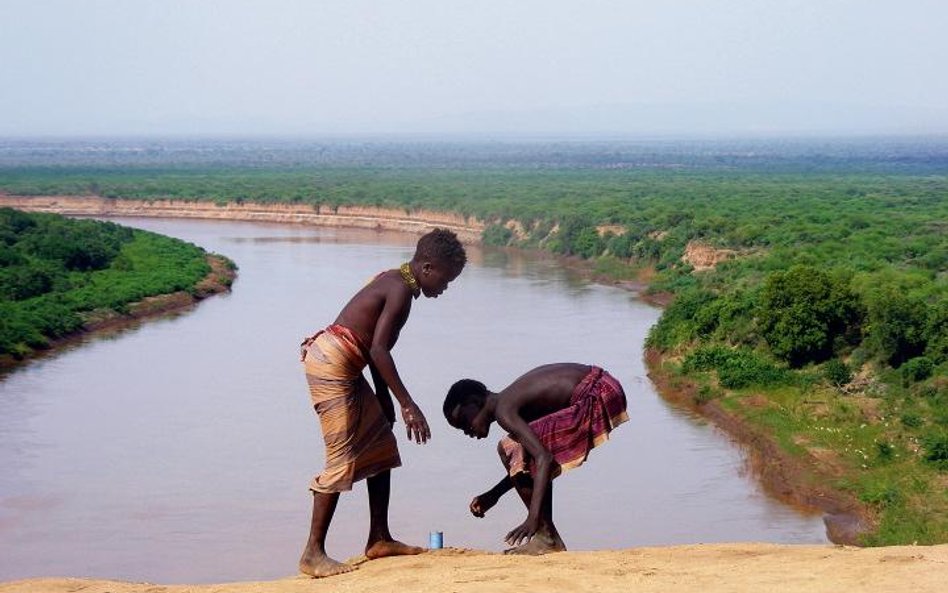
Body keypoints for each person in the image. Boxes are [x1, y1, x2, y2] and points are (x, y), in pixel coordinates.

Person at [298, 228, 466, 577]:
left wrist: (384, 399)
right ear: (428, 267)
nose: (446, 289)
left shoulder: (393, 280)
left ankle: (379, 538)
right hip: (333, 365)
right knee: (341, 456)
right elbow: (378, 349)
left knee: (380, 444)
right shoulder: (401, 291)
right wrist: (407, 405)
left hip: (347, 361)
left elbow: (373, 346)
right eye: (446, 280)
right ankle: (313, 553)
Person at [443, 363, 628, 555]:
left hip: (595, 395)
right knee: (520, 449)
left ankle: (546, 537)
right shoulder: (509, 401)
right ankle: (547, 536)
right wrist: (494, 495)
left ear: (474, 401)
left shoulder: (504, 411)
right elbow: (532, 461)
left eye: (463, 421)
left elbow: (544, 459)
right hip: (604, 386)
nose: (466, 431)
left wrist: (532, 518)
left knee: (509, 447)